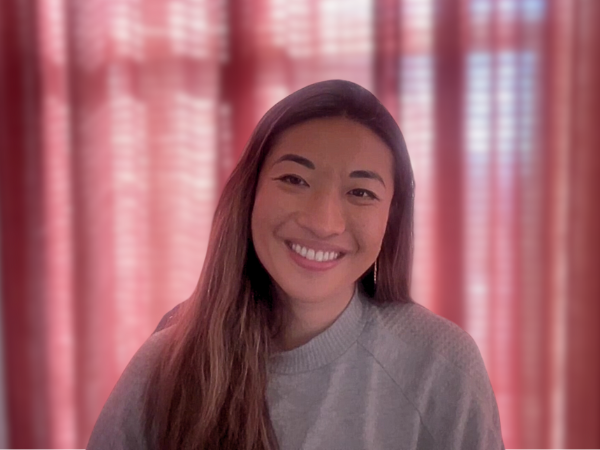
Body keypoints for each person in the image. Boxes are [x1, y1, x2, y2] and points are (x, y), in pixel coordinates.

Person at [87, 80, 505, 450]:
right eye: (294, 180)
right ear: (250, 192)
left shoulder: (441, 367)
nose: (323, 223)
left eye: (360, 192)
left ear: (392, 219)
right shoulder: (166, 364)